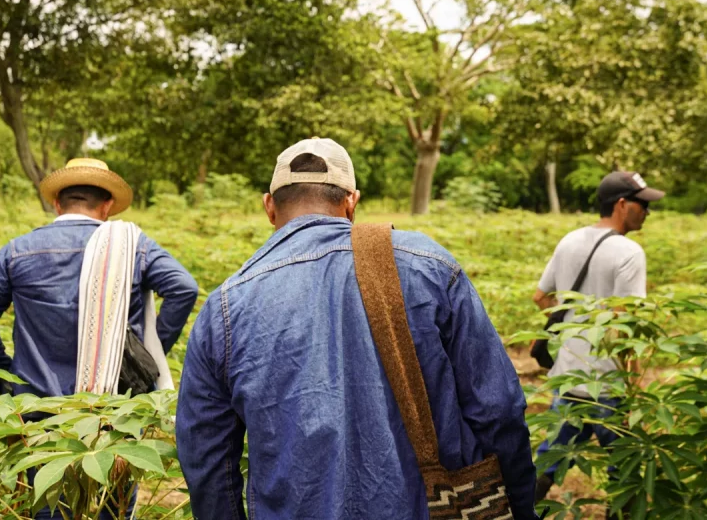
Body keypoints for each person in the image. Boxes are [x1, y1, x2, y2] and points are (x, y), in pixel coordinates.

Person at [176, 138, 537, 520]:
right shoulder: (427, 265)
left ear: (269, 206)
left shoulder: (225, 306)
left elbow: (206, 458)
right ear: (351, 201)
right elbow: (499, 411)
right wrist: (519, 506)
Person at [0, 158, 199, 519]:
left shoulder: (18, 249)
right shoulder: (131, 246)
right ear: (107, 206)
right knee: (114, 507)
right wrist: (145, 357)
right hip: (115, 405)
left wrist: (5, 374)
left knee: (49, 504)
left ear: (57, 203)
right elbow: (183, 287)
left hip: (40, 407)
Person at [531, 171, 664, 504]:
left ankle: (523, 511)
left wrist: (570, 331)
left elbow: (541, 297)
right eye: (642, 204)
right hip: (608, 385)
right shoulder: (629, 252)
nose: (647, 212)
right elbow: (624, 325)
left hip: (568, 377)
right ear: (621, 205)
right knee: (625, 474)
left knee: (549, 462)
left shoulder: (570, 240)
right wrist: (633, 385)